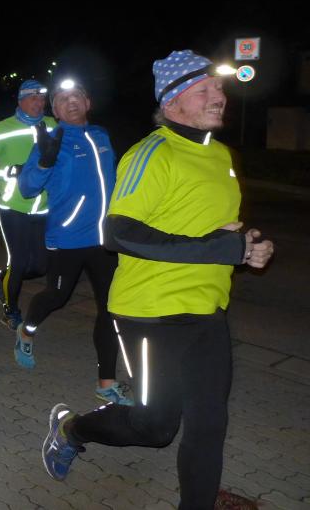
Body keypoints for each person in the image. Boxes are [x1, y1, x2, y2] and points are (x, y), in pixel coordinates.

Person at [41, 51, 274, 510]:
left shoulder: (221, 155)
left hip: (208, 311)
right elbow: (118, 233)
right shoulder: (152, 153)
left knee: (209, 426)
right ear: (171, 103)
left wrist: (248, 246)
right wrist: (222, 248)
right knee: (155, 427)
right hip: (150, 313)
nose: (218, 97)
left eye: (219, 88)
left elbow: (208, 231)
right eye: (203, 91)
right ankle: (71, 429)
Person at [16, 79, 132, 406]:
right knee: (57, 296)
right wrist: (44, 162)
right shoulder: (51, 141)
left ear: (88, 102)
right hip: (67, 238)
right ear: (55, 110)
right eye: (63, 99)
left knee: (110, 309)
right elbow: (27, 187)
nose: (71, 102)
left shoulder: (101, 136)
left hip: (105, 241)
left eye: (77, 96)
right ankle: (27, 329)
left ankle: (106, 383)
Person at [0, 79, 58, 330]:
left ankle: (3, 277)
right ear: (20, 100)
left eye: (42, 98)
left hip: (43, 206)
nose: (39, 103)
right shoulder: (2, 129)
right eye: (33, 98)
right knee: (18, 262)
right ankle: (10, 310)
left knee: (40, 265)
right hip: (13, 205)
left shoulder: (53, 125)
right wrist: (8, 172)